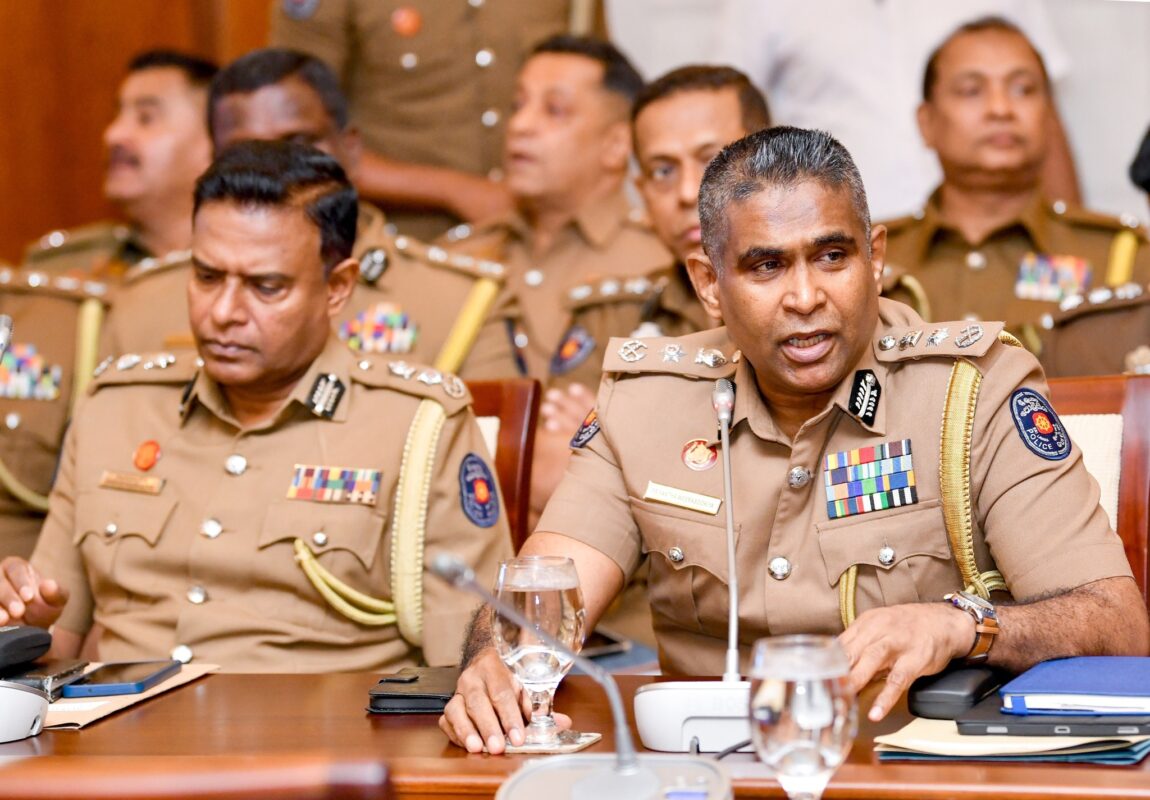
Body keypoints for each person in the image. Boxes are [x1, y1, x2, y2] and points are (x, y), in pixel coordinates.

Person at [438, 126, 1148, 754]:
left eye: (832, 256)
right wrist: (495, 666)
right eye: (766, 266)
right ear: (709, 285)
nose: (805, 296)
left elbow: (1118, 625)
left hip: (901, 768)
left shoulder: (973, 391)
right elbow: (542, 600)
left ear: (875, 257)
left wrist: (963, 627)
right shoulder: (648, 402)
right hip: (703, 772)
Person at [0, 141, 511, 672]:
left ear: (338, 288)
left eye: (265, 287)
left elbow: (475, 669)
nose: (224, 312)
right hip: (122, 721)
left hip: (319, 725)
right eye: (206, 277)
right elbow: (53, 642)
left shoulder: (416, 427)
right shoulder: (115, 408)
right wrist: (25, 619)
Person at [102, 48, 516, 378]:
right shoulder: (140, 308)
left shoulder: (460, 304)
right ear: (213, 162)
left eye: (298, 143)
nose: (277, 169)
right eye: (247, 152)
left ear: (350, 149)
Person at [449, 35, 671, 523]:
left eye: (554, 110)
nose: (520, 126)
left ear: (616, 145)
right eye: (518, 106)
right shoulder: (455, 258)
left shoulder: (662, 266)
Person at [881, 17, 1150, 350]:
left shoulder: (1123, 257)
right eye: (971, 91)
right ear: (927, 123)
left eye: (1023, 89)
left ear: (1049, 117)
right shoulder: (868, 258)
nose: (1000, 109)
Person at [714, 0, 1079, 221]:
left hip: (990, 227)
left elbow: (1041, 111)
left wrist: (1069, 238)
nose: (1000, 108)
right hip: (826, 241)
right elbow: (729, 122)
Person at [269, 0, 574, 241]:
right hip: (393, 249)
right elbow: (289, 139)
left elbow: (589, 98)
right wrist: (455, 190)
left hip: (539, 239)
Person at [24, 50, 216, 277]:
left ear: (215, 142)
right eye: (116, 117)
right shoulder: (58, 272)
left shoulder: (246, 266)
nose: (112, 135)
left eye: (145, 118)